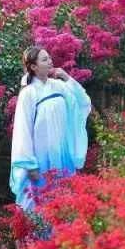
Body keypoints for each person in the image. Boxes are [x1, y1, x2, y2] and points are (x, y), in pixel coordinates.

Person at [9, 45, 92, 212]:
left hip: (63, 155)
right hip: (40, 160)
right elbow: (22, 129)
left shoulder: (59, 86)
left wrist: (66, 77)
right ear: (33, 67)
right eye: (44, 59)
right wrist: (30, 164)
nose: (50, 61)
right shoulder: (28, 93)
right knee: (41, 204)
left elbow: (82, 102)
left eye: (49, 58)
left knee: (65, 200)